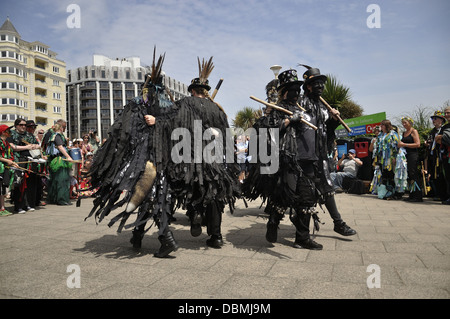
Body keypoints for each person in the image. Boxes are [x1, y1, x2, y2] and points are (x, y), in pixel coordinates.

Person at [299, 65, 357, 237]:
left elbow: (327, 133)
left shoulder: (324, 107)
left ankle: (338, 223)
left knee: (328, 187)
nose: (320, 87)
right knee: (304, 191)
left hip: (321, 153)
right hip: (305, 155)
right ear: (308, 86)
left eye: (322, 84)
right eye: (316, 84)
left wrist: (333, 121)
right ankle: (281, 223)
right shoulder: (301, 103)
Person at [7, 118, 41, 213]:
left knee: (30, 184)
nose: (23, 127)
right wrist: (26, 147)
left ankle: (29, 204)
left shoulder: (29, 135)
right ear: (16, 125)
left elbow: (38, 145)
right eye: (21, 125)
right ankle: (19, 206)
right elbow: (12, 146)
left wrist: (34, 146)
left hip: (30, 161)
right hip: (18, 161)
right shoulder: (11, 134)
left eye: (25, 125)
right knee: (19, 184)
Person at [369, 119, 406, 199]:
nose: (380, 126)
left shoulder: (393, 134)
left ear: (386, 126)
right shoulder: (380, 135)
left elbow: (396, 146)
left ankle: (394, 193)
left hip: (391, 158)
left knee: (392, 175)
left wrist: (394, 157)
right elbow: (378, 147)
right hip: (382, 159)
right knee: (385, 175)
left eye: (382, 125)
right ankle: (386, 192)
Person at [46, 122, 73, 205]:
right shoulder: (57, 136)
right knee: (62, 180)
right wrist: (68, 156)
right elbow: (60, 146)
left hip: (55, 160)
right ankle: (62, 199)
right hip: (59, 160)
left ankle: (54, 199)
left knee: (55, 180)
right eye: (64, 127)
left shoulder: (54, 135)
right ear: (61, 127)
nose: (65, 129)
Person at [398, 117, 422, 202]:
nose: (404, 125)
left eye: (405, 123)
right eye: (403, 123)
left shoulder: (414, 131)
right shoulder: (404, 133)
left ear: (410, 123)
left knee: (413, 173)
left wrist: (404, 144)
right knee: (408, 174)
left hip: (413, 155)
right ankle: (411, 194)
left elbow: (418, 144)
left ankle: (418, 195)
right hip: (405, 155)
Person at [424, 111, 447, 201]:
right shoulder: (432, 131)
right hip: (433, 156)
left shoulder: (444, 130)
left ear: (441, 120)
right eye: (432, 119)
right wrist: (426, 144)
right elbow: (430, 141)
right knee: (435, 175)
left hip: (441, 155)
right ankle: (438, 194)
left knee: (442, 175)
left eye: (435, 118)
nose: (433, 120)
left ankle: (444, 195)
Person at [0, 125, 19, 216]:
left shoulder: (6, 143)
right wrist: (7, 161)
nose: (10, 133)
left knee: (3, 189)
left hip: (5, 168)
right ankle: (1, 208)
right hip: (1, 168)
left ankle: (2, 208)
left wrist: (14, 163)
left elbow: (9, 155)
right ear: (3, 132)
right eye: (8, 131)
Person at [435, 106, 450, 205]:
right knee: (448, 177)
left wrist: (443, 137)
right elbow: (438, 139)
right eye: (446, 113)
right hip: (446, 155)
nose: (447, 115)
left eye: (448, 112)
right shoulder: (445, 127)